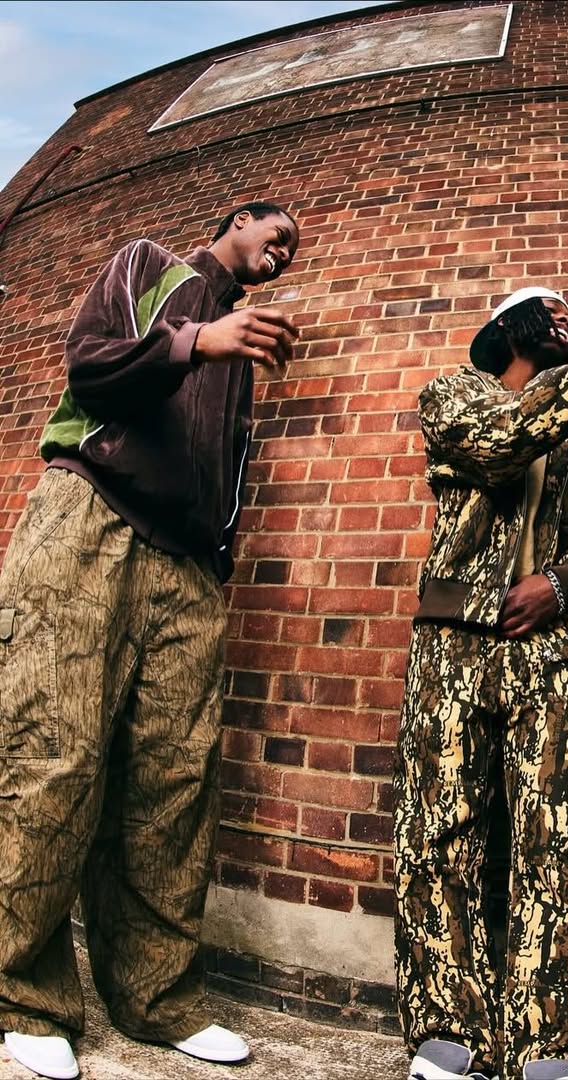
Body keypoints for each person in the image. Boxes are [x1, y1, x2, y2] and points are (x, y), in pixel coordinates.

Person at [0, 202, 300, 1080]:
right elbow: (90, 371)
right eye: (274, 233)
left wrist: (221, 554)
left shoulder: (240, 354)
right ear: (235, 220)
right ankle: (22, 996)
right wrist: (192, 343)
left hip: (188, 566)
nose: (282, 251)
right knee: (53, 756)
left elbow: (227, 462)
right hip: (89, 517)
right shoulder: (149, 265)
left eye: (292, 249)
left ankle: (158, 999)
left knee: (175, 780)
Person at [395, 287, 568, 1080]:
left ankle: (552, 1043)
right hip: (455, 644)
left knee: (559, 837)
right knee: (440, 828)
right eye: (549, 309)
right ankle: (450, 1032)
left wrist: (565, 583)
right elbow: (505, 441)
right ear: (506, 328)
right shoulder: (455, 394)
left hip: (559, 650)